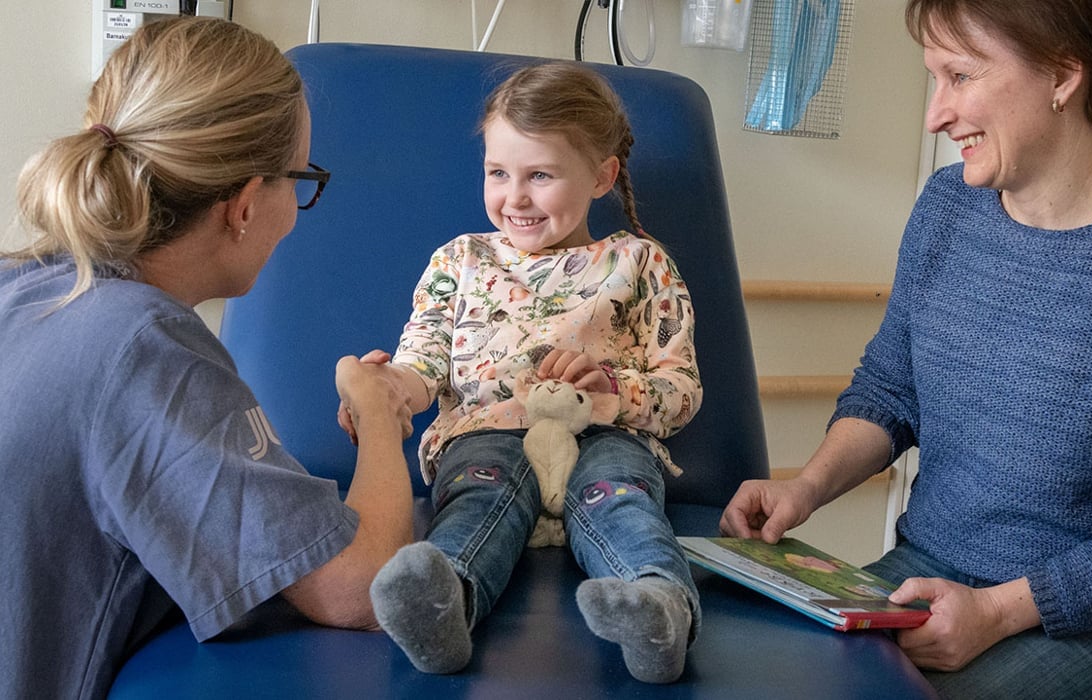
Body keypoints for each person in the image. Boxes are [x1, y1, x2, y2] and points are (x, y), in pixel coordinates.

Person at [720, 1, 1092, 698]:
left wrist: (997, 611)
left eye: (960, 76)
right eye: (933, 79)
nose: (935, 114)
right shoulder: (948, 207)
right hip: (931, 573)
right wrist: (806, 487)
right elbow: (889, 391)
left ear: (1064, 75)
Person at [0, 18, 415, 699]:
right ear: (246, 205)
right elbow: (362, 588)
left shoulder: (22, 285)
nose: (299, 203)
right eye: (300, 178)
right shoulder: (146, 351)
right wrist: (375, 411)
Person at [362, 61, 702, 684]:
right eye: (498, 173)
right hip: (485, 433)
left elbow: (681, 392)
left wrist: (614, 390)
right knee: (479, 493)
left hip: (606, 436)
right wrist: (387, 393)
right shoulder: (460, 260)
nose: (514, 197)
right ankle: (444, 604)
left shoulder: (640, 262)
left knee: (622, 503)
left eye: (539, 175)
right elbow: (424, 359)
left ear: (602, 176)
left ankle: (659, 608)